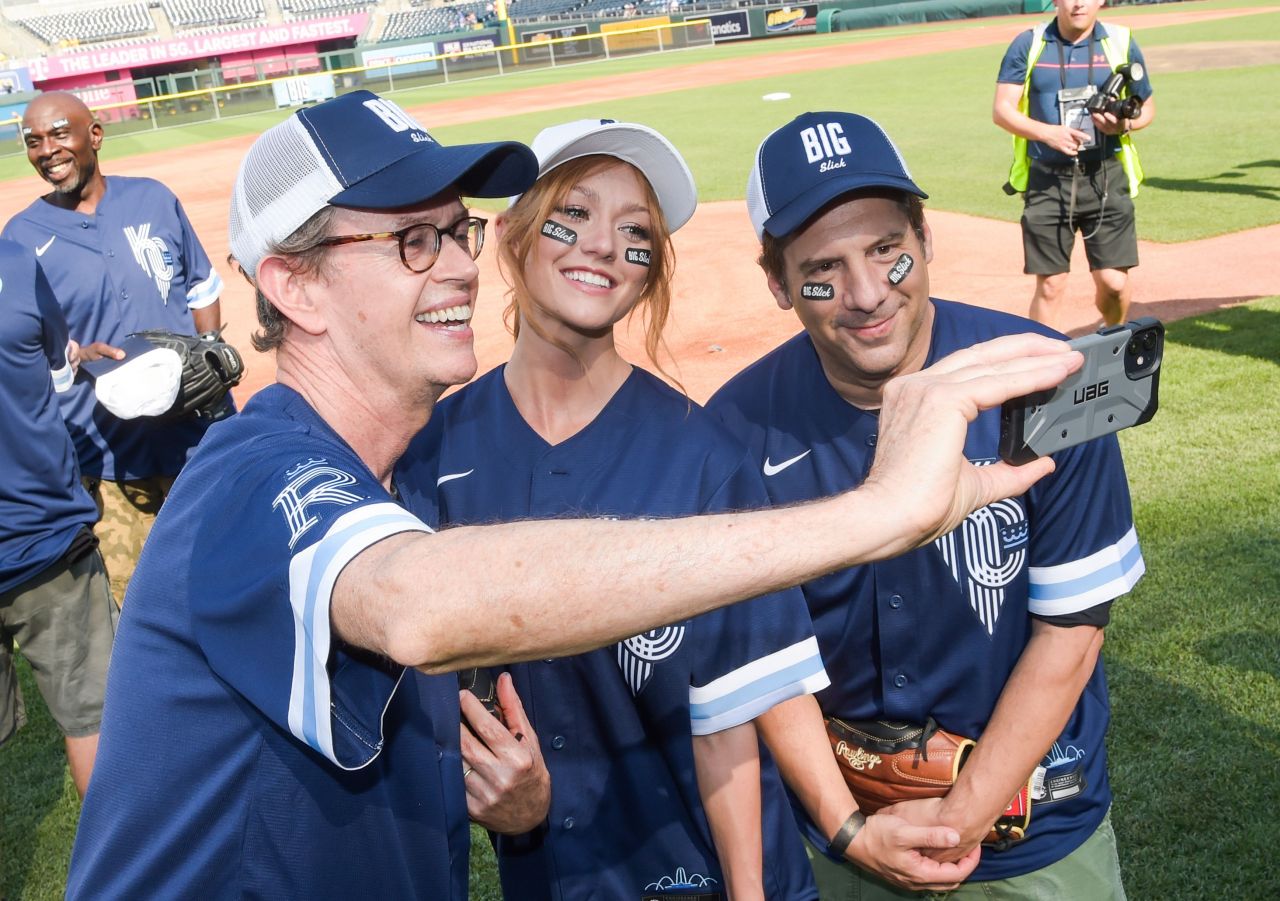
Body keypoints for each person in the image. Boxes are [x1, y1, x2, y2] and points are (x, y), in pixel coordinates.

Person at [67, 90, 1083, 898]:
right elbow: (418, 604)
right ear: (291, 285)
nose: (457, 266)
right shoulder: (257, 472)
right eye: (410, 241)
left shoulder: (390, 477)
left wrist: (511, 806)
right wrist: (874, 512)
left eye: (454, 229)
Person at [708, 110, 1145, 899]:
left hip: (1033, 832)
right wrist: (850, 828)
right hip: (843, 835)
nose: (867, 294)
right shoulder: (732, 430)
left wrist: (959, 821)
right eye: (824, 270)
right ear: (777, 283)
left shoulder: (1041, 377)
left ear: (926, 238)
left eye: (887, 251)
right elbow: (759, 659)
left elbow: (1073, 630)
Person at [399, 118, 829, 899]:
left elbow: (733, 714)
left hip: (712, 873)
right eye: (575, 213)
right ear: (512, 236)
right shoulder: (433, 451)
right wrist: (500, 792)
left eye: (635, 231)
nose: (603, 244)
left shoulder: (706, 455)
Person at [2, 91, 226, 604]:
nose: (47, 150)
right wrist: (74, 353)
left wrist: (210, 348)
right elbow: (26, 344)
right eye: (33, 141)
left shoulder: (153, 198)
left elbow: (202, 288)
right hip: (105, 454)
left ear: (94, 135)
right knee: (136, 604)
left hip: (194, 436)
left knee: (223, 579)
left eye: (60, 133)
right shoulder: (20, 239)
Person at [0, 239, 117, 798]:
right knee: (94, 715)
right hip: (45, 539)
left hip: (43, 539)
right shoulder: (16, 262)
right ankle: (118, 874)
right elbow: (57, 376)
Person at [993, 0, 1155, 331]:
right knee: (1051, 285)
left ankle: (1112, 341)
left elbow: (1147, 108)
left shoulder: (1120, 42)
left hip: (1105, 176)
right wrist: (1046, 133)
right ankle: (1041, 363)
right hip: (1048, 180)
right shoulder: (1031, 43)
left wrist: (1121, 125)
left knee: (1114, 284)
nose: (1078, 3)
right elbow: (1002, 109)